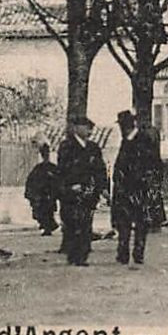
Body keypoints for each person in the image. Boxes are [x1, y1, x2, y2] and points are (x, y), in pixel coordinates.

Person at [56, 113, 108, 266]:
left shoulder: (93, 148)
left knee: (86, 223)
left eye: (90, 128)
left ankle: (82, 255)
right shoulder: (66, 146)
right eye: (85, 127)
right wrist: (68, 186)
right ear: (75, 128)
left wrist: (102, 188)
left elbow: (100, 169)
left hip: (89, 191)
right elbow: (62, 169)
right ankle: (73, 255)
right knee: (72, 223)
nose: (89, 131)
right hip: (72, 191)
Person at [111, 110, 161, 265]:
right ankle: (124, 252)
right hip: (125, 189)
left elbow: (153, 165)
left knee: (140, 222)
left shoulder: (144, 140)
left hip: (138, 188)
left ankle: (137, 253)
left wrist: (149, 185)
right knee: (124, 222)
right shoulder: (126, 140)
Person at [23, 142, 59, 237]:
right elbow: (31, 181)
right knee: (41, 212)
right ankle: (47, 227)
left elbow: (59, 180)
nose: (45, 156)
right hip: (40, 196)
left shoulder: (53, 168)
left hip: (49, 195)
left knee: (48, 212)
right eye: (44, 154)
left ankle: (48, 227)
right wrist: (31, 193)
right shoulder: (38, 168)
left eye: (47, 154)